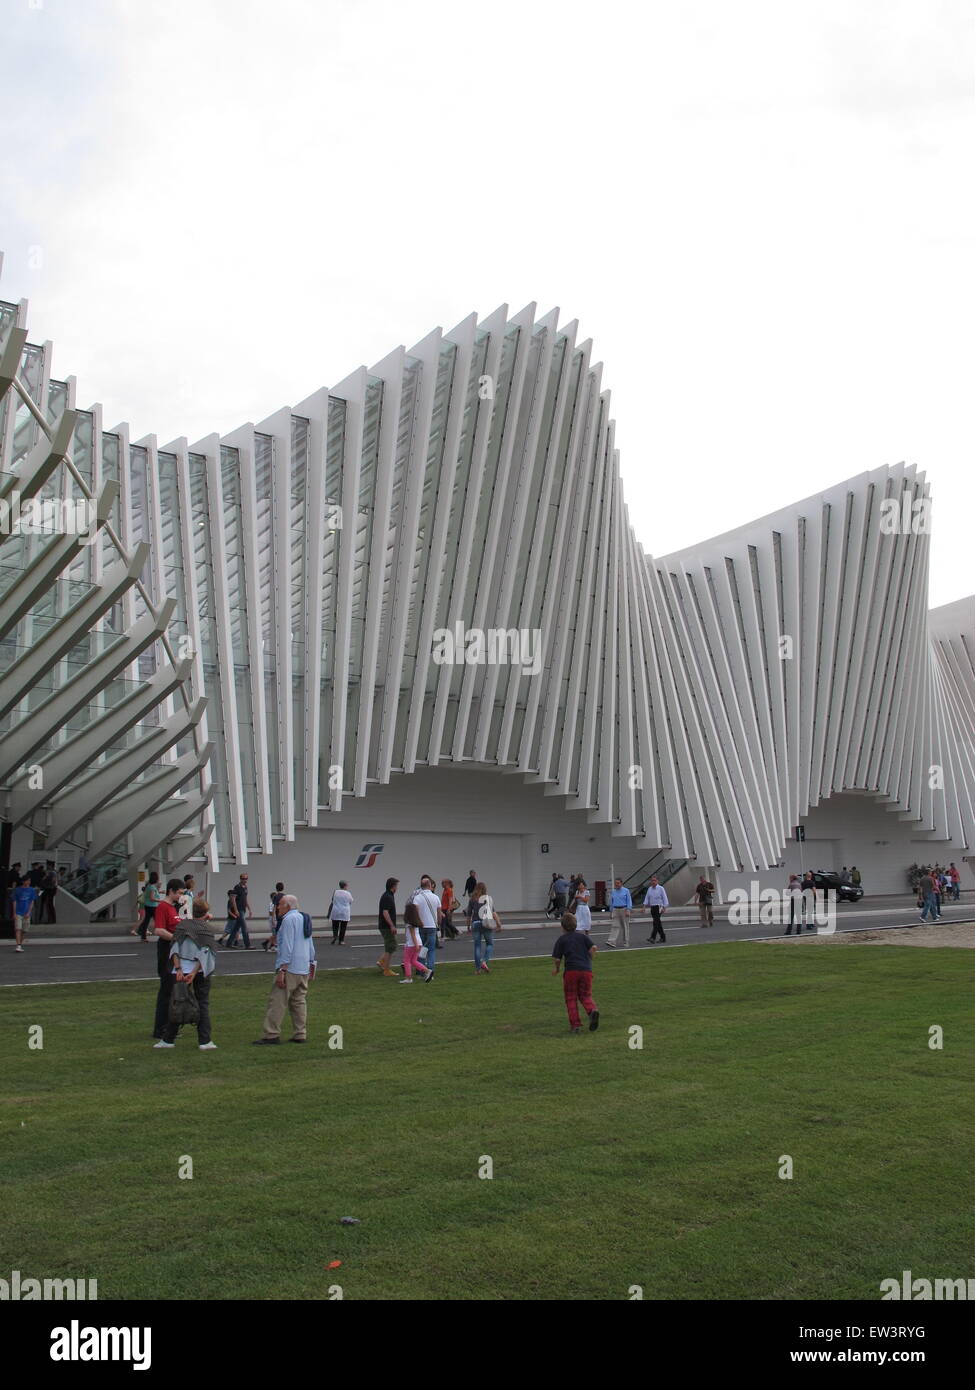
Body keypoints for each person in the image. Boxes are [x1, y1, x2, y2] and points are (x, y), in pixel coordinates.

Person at [153, 900, 218, 1050]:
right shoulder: (206, 929)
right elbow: (206, 953)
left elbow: (174, 946)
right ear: (206, 914)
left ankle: (168, 1039)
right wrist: (195, 972)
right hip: (199, 970)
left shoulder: (182, 926)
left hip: (181, 969)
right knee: (202, 1003)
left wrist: (179, 968)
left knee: (177, 1002)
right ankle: (205, 1040)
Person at [253, 894, 317, 1044]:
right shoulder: (304, 918)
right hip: (303, 967)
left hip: (290, 968)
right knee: (299, 1001)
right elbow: (310, 943)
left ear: (288, 906)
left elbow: (287, 946)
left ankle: (271, 1034)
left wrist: (282, 969)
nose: (277, 908)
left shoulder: (288, 920)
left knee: (277, 1001)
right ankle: (300, 1033)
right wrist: (311, 964)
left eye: (280, 905)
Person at [551, 912, 599, 1034]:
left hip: (571, 971)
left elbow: (557, 959)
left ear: (562, 927)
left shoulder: (562, 940)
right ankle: (592, 1010)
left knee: (571, 997)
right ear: (576, 925)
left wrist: (557, 969)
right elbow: (594, 948)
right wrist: (591, 958)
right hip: (586, 970)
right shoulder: (583, 937)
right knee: (585, 995)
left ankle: (575, 1025)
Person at [151, 879, 187, 1040]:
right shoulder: (163, 907)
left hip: (174, 950)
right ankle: (161, 1028)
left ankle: (169, 1026)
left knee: (173, 990)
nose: (181, 896)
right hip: (167, 950)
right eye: (179, 893)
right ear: (171, 891)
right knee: (166, 990)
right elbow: (158, 929)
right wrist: (174, 938)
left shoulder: (174, 907)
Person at [410, 875, 442, 979]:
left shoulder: (417, 898)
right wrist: (439, 924)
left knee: (421, 949)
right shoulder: (436, 897)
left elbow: (416, 913)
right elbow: (439, 913)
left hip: (421, 926)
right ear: (429, 885)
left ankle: (422, 971)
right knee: (431, 950)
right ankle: (430, 971)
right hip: (432, 926)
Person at [472, 880, 501, 973]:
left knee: (477, 946)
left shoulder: (472, 899)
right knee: (489, 944)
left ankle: (477, 969)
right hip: (486, 923)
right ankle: (484, 961)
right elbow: (493, 913)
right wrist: (498, 924)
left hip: (475, 923)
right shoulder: (487, 899)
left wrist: (468, 925)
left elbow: (469, 914)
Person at [399, 902, 433, 983]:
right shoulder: (416, 921)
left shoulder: (409, 923)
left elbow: (412, 935)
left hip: (411, 944)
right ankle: (427, 971)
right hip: (418, 942)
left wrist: (416, 945)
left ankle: (408, 978)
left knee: (406, 960)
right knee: (413, 961)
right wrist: (417, 945)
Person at [377, 877, 399, 977]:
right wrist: (392, 925)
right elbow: (385, 912)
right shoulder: (387, 897)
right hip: (386, 926)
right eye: (396, 885)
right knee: (390, 946)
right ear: (393, 886)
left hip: (386, 926)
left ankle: (382, 961)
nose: (397, 888)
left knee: (392, 945)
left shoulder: (389, 895)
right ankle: (386, 969)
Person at [225, 873, 252, 948]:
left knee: (236, 928)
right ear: (240, 879)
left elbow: (245, 899)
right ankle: (247, 944)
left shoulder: (245, 888)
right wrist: (236, 910)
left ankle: (229, 943)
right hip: (239, 910)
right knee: (244, 927)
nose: (245, 880)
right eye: (243, 878)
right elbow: (233, 899)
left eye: (246, 878)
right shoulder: (237, 887)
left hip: (243, 909)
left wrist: (249, 909)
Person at [12, 876, 38, 952]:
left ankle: (20, 943)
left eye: (29, 881)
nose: (29, 882)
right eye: (27, 881)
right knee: (18, 929)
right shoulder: (17, 890)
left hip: (26, 913)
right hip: (18, 912)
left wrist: (29, 912)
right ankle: (18, 945)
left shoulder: (31, 890)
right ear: (24, 881)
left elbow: (32, 902)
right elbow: (14, 901)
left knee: (25, 930)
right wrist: (14, 913)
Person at [605, 878, 633, 948]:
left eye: (618, 883)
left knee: (625, 926)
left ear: (621, 883)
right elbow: (611, 902)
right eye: (615, 883)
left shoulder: (626, 890)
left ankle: (626, 942)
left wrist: (628, 909)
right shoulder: (613, 892)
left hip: (624, 909)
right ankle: (612, 941)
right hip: (615, 909)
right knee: (615, 925)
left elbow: (629, 900)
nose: (616, 884)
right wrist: (611, 911)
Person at [643, 876, 669, 943]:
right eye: (652, 880)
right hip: (652, 907)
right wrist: (644, 906)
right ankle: (663, 937)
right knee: (658, 923)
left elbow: (665, 898)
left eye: (654, 880)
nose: (653, 882)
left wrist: (664, 907)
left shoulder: (661, 888)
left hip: (659, 907)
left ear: (657, 881)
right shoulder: (649, 889)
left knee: (655, 922)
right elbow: (647, 898)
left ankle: (652, 937)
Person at [263, 881, 285, 951]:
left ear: (276, 888)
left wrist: (273, 918)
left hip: (278, 917)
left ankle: (270, 944)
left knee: (277, 932)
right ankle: (271, 944)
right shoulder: (285, 896)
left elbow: (274, 907)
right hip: (283, 916)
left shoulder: (276, 896)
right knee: (278, 932)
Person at [330, 880, 353, 944]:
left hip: (336, 911)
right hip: (344, 912)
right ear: (345, 886)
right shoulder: (348, 893)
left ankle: (335, 936)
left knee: (335, 925)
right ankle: (341, 940)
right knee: (343, 926)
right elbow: (351, 901)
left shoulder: (335, 892)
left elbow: (332, 900)